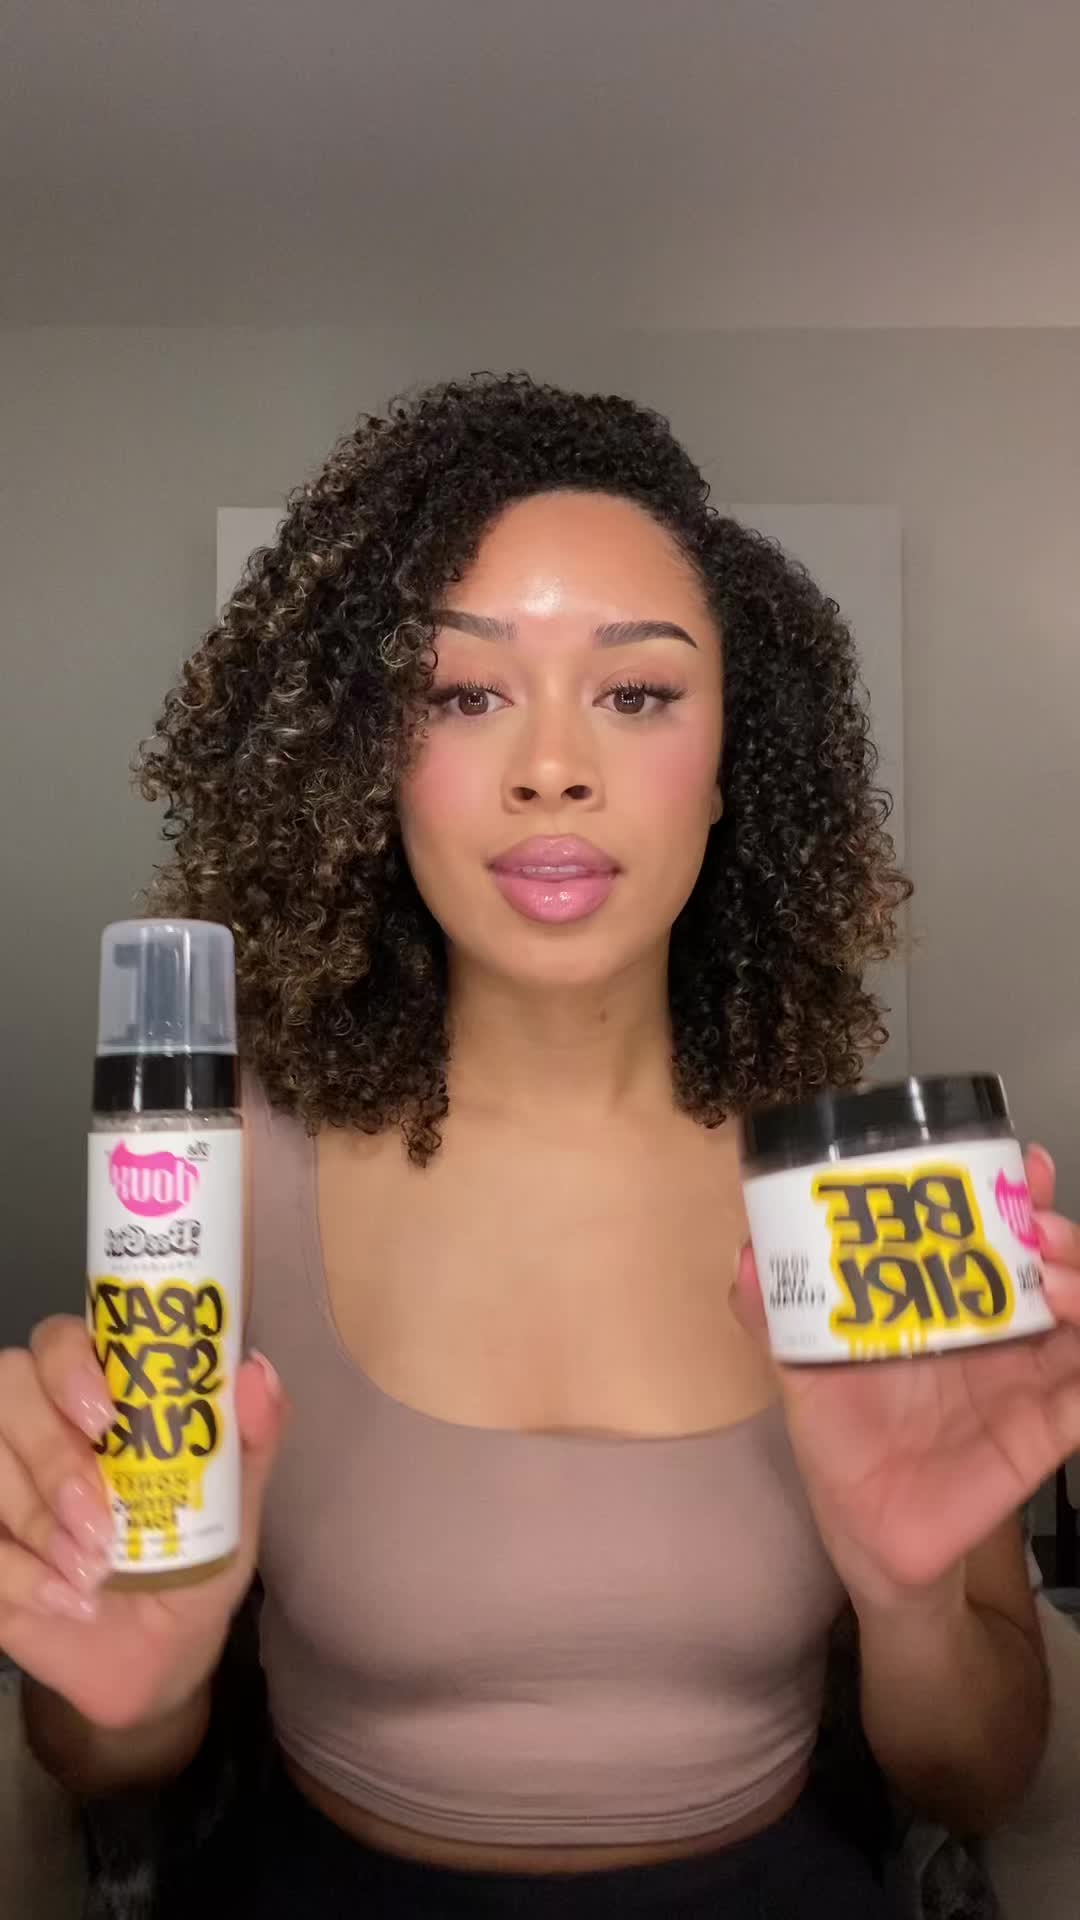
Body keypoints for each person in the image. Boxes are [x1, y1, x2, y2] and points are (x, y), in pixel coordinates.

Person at [10, 374, 1080, 1919]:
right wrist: (137, 1683)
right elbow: (95, 1748)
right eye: (464, 694)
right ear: (370, 761)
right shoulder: (199, 1176)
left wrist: (909, 1597)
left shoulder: (861, 1192)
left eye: (637, 694)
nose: (553, 767)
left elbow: (980, 1779)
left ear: (734, 761)